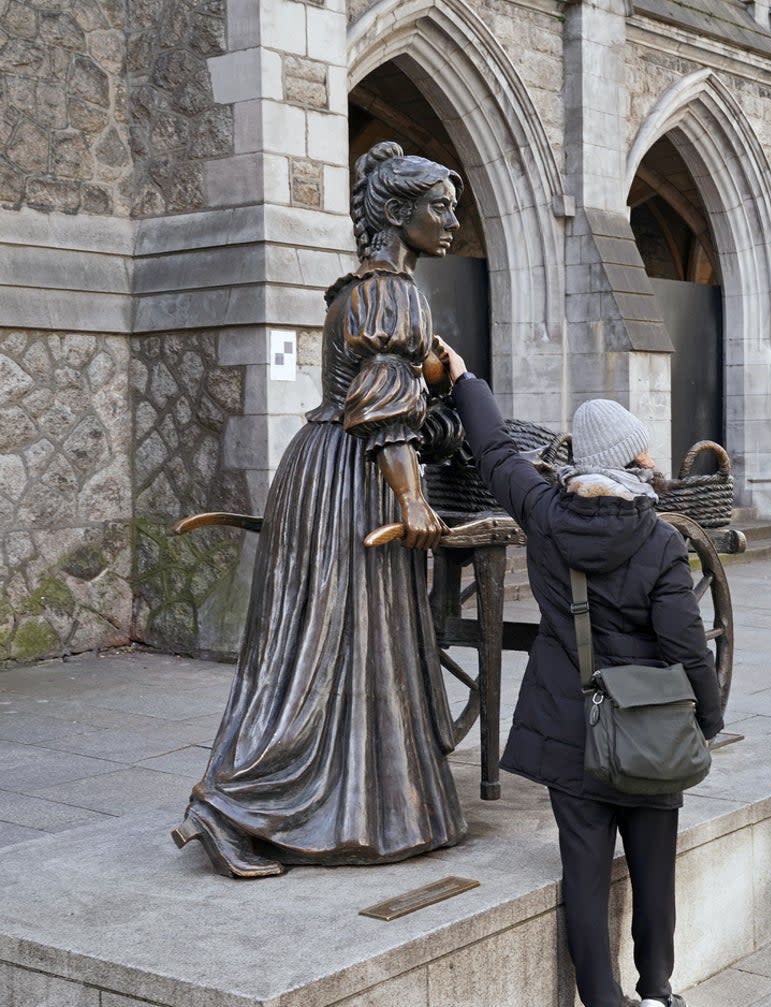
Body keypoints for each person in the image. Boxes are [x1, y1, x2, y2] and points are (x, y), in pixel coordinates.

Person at [171, 141, 468, 877]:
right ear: (398, 215)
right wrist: (413, 498)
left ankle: (336, 805)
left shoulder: (354, 288)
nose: (453, 222)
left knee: (315, 647)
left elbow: (391, 393)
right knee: (318, 652)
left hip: (323, 466)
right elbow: (381, 410)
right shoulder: (391, 293)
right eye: (440, 208)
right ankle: (237, 804)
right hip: (356, 475)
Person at [437, 339, 723, 1007]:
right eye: (643, 451)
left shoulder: (544, 512)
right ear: (630, 461)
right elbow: (688, 646)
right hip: (648, 731)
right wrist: (706, 721)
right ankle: (656, 991)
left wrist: (464, 380)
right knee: (654, 873)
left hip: (572, 727)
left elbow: (496, 454)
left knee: (583, 871)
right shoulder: (658, 540)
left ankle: (601, 998)